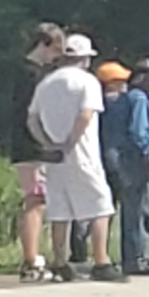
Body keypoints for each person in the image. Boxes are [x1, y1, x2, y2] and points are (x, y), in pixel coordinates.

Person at [31, 33, 116, 283]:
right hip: (82, 152)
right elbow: (86, 115)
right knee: (101, 204)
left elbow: (32, 118)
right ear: (85, 59)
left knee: (60, 207)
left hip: (53, 156)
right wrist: (70, 142)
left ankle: (59, 261)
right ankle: (101, 260)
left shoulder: (46, 83)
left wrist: (48, 142)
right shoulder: (87, 82)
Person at [96, 58, 149, 277]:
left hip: (109, 158)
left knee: (111, 209)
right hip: (131, 160)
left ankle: (112, 256)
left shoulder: (108, 102)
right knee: (138, 210)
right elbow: (139, 131)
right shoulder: (139, 98)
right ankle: (137, 259)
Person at [11, 21, 64, 277]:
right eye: (56, 49)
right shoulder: (33, 76)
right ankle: (30, 260)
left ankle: (32, 256)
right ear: (44, 45)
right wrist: (44, 141)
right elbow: (31, 113)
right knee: (36, 199)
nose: (57, 56)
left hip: (26, 142)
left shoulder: (24, 72)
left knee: (37, 199)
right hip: (31, 144)